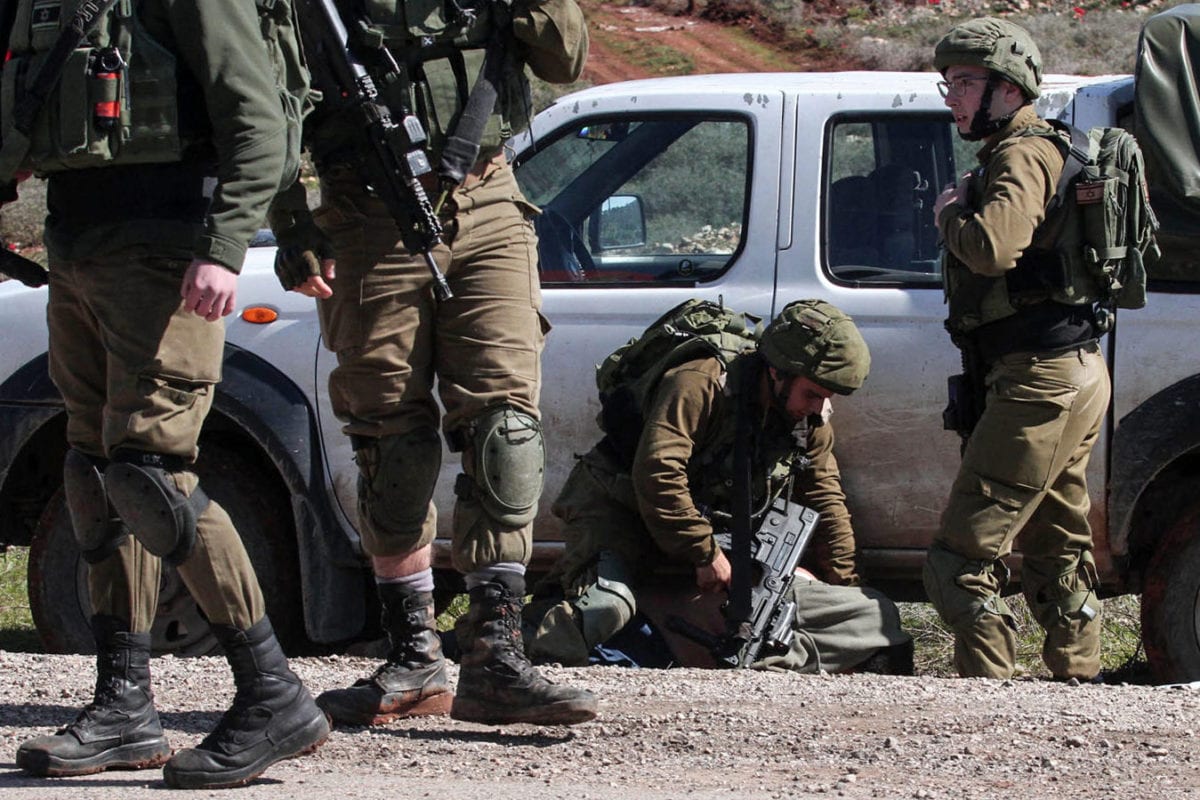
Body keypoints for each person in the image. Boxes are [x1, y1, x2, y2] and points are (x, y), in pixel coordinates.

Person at [7, 0, 329, 790]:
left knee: (151, 473)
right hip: (77, 246)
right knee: (93, 471)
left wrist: (224, 248)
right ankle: (124, 704)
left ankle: (272, 691)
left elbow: (258, 117)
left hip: (168, 247)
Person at [268, 0, 596, 726]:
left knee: (506, 430)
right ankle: (414, 656)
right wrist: (291, 222)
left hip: (488, 197)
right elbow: (267, 92)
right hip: (365, 212)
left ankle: (495, 658)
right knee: (391, 438)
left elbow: (562, 57)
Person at [522, 299, 912, 674]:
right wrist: (703, 552)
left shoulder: (805, 420)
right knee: (607, 608)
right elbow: (658, 474)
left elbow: (826, 499)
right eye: (812, 394)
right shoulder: (699, 382)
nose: (818, 407)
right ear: (778, 372)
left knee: (868, 614)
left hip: (711, 536)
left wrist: (843, 585)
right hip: (619, 509)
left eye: (826, 397)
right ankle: (495, 645)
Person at [925, 18, 1110, 681]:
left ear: (1008, 89)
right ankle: (1076, 680)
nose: (953, 98)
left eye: (964, 83)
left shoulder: (1020, 153)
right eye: (948, 84)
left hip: (1039, 378)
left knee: (961, 559)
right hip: (1071, 370)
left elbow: (994, 247)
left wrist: (949, 213)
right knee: (1056, 545)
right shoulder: (1044, 147)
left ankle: (991, 708)